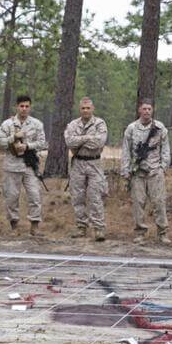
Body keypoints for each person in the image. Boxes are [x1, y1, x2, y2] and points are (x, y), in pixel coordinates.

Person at [121, 100, 171, 245]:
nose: (147, 111)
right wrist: (126, 169)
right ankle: (140, 233)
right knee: (138, 204)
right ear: (139, 110)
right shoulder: (131, 128)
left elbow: (165, 149)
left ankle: (162, 233)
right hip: (138, 173)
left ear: (152, 110)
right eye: (144, 109)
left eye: (149, 109)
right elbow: (126, 150)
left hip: (155, 172)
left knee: (159, 203)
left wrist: (163, 168)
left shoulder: (159, 127)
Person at [0, 95, 48, 236]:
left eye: (27, 106)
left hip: (29, 165)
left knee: (35, 195)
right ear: (17, 107)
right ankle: (14, 226)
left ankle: (35, 226)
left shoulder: (37, 124)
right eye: (21, 106)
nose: (24, 109)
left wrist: (27, 146)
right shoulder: (7, 124)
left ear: (30, 107)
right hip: (12, 165)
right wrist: (13, 137)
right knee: (11, 197)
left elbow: (42, 143)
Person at [64, 97, 108, 241]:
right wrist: (88, 138)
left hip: (94, 163)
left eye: (88, 108)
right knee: (78, 197)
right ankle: (81, 227)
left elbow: (99, 142)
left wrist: (80, 139)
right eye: (83, 108)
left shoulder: (100, 123)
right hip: (78, 163)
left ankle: (99, 229)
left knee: (95, 196)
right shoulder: (72, 124)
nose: (85, 111)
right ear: (80, 109)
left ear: (92, 109)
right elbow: (69, 141)